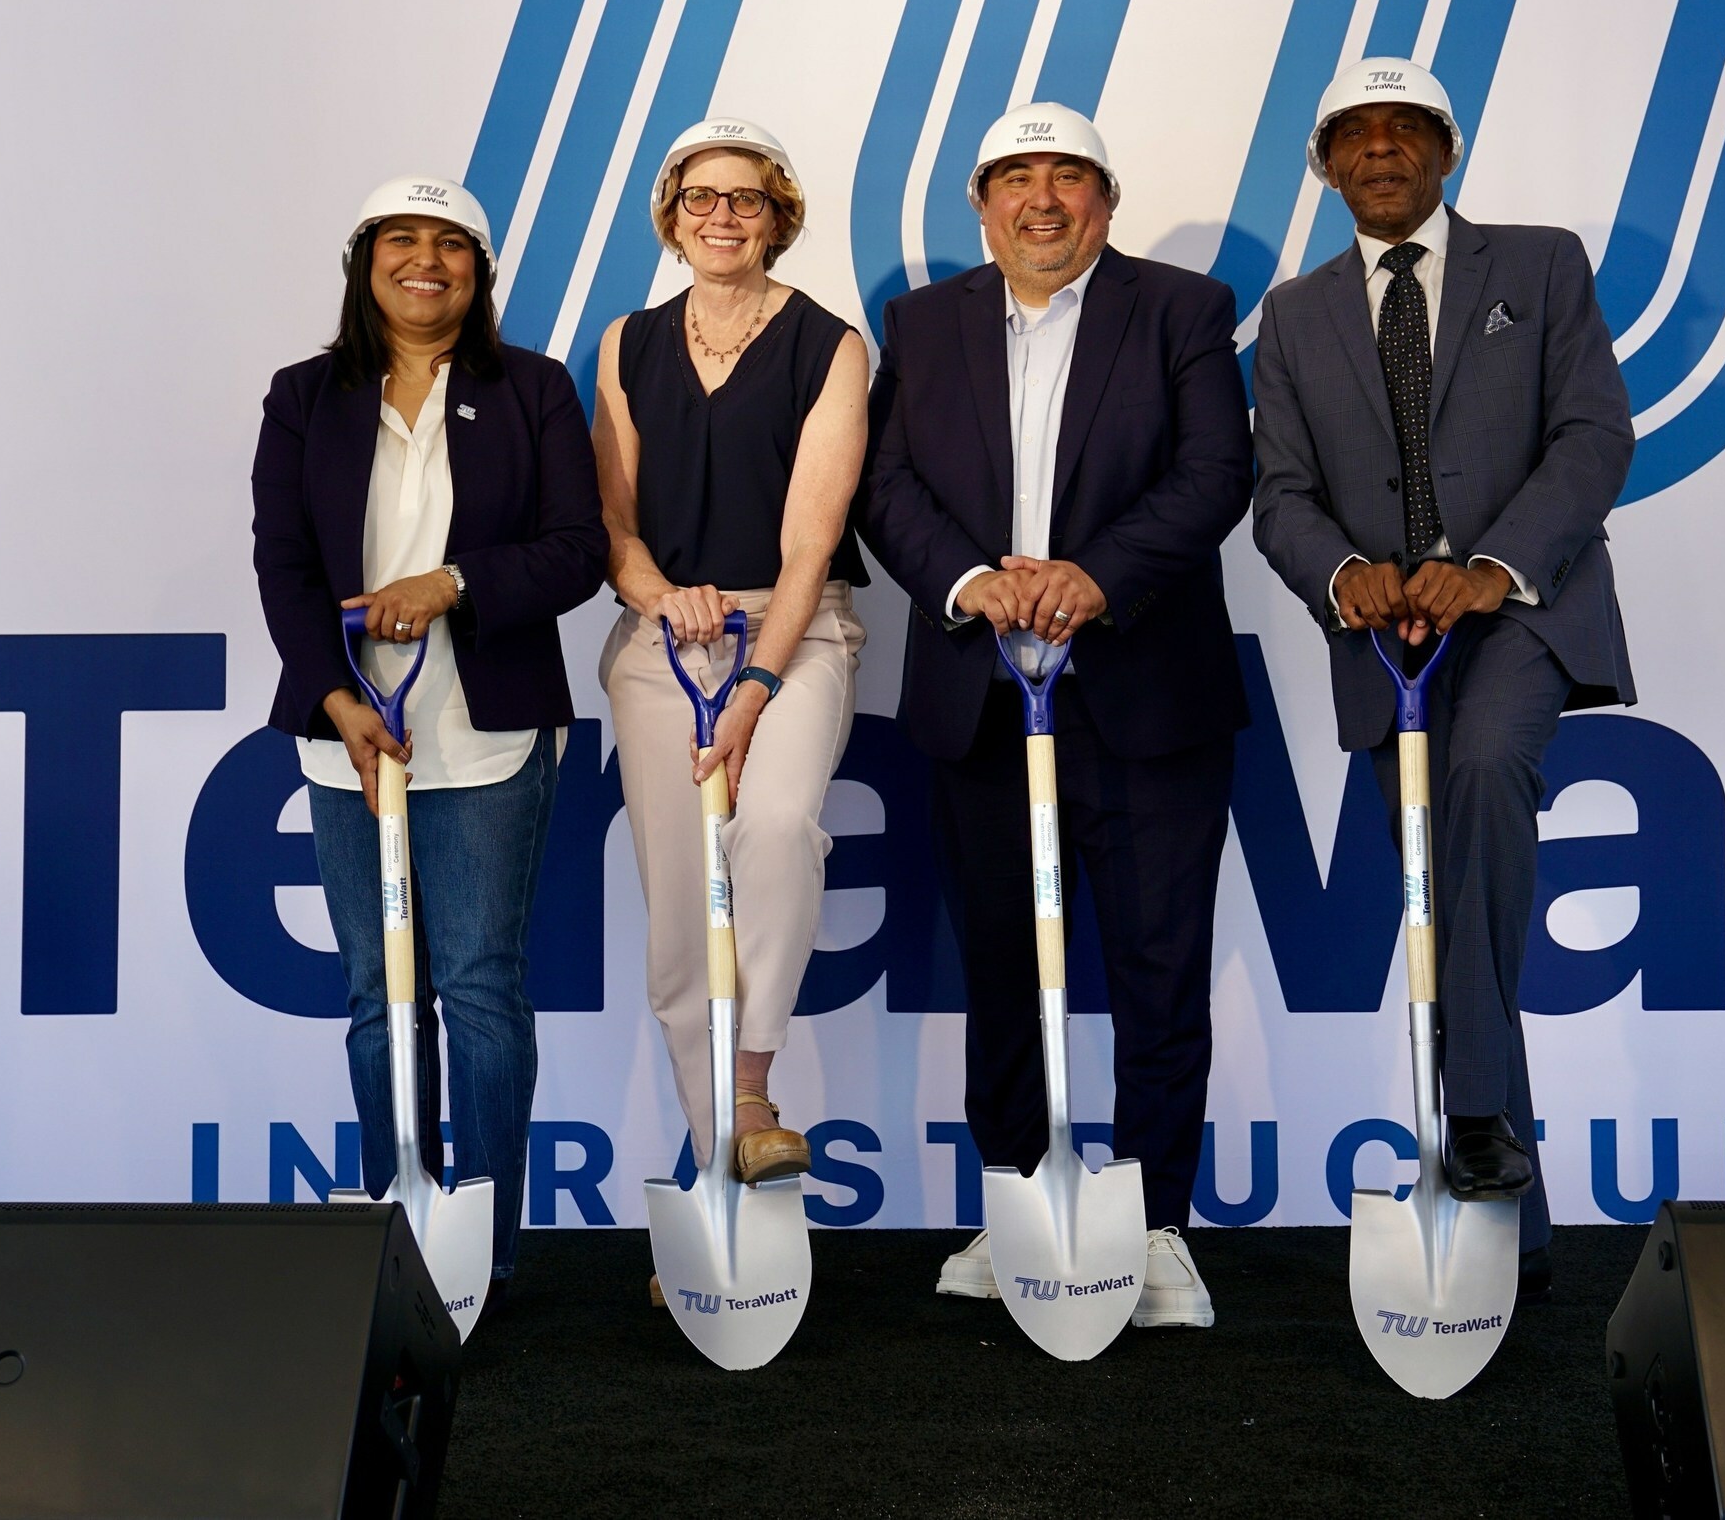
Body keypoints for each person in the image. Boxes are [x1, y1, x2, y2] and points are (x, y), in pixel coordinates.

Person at [862, 101, 1251, 1328]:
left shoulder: (1182, 310)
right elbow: (887, 483)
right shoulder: (925, 322)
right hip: (982, 696)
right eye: (1016, 179)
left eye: (1068, 177)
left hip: (1145, 693)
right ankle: (1020, 1207)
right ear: (980, 204)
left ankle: (1160, 1229)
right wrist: (976, 582)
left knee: (1157, 970)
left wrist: (1098, 574)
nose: (1043, 200)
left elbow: (1215, 474)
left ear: (1107, 199)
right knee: (1003, 973)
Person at [1250, 60, 1636, 1294]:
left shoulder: (1538, 264)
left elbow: (1593, 433)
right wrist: (1345, 574)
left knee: (1479, 776)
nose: (1380, 151)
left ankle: (1471, 1106)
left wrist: (1497, 566)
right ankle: (1496, 1187)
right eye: (1353, 135)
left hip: (1522, 611)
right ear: (1324, 167)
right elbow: (1280, 497)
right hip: (1386, 639)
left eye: (1404, 130)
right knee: (1436, 884)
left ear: (1445, 151)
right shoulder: (1295, 314)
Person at [252, 175, 610, 1310]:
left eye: (451, 245)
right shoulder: (306, 395)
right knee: (377, 991)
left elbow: (576, 551)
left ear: (482, 269)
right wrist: (332, 695)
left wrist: (455, 582)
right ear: (366, 264)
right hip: (349, 731)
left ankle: (485, 1248)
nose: (427, 262)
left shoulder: (534, 390)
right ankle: (394, 1228)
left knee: (478, 984)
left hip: (486, 729)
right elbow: (284, 561)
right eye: (401, 242)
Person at [592, 117, 869, 1207]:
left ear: (779, 217)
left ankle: (750, 1087)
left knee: (773, 826)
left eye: (745, 199)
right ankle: (723, 1181)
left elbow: (812, 540)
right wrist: (664, 598)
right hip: (661, 636)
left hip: (793, 629)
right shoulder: (627, 344)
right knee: (677, 907)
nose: (722, 217)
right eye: (700, 199)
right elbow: (613, 528)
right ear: (671, 218)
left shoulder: (830, 343)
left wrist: (757, 681)